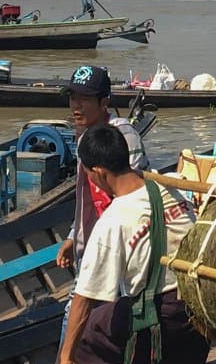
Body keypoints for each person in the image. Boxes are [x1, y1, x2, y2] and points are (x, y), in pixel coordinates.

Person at [24, 126, 207, 364]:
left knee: (88, 335)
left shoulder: (113, 222)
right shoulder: (169, 188)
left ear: (97, 174)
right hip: (198, 312)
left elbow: (83, 301)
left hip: (162, 318)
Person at [56, 65, 150, 271]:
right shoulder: (83, 138)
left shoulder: (124, 136)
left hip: (123, 240)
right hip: (96, 239)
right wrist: (74, 236)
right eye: (73, 97)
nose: (76, 106)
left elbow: (133, 193)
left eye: (85, 99)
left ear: (104, 102)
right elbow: (87, 197)